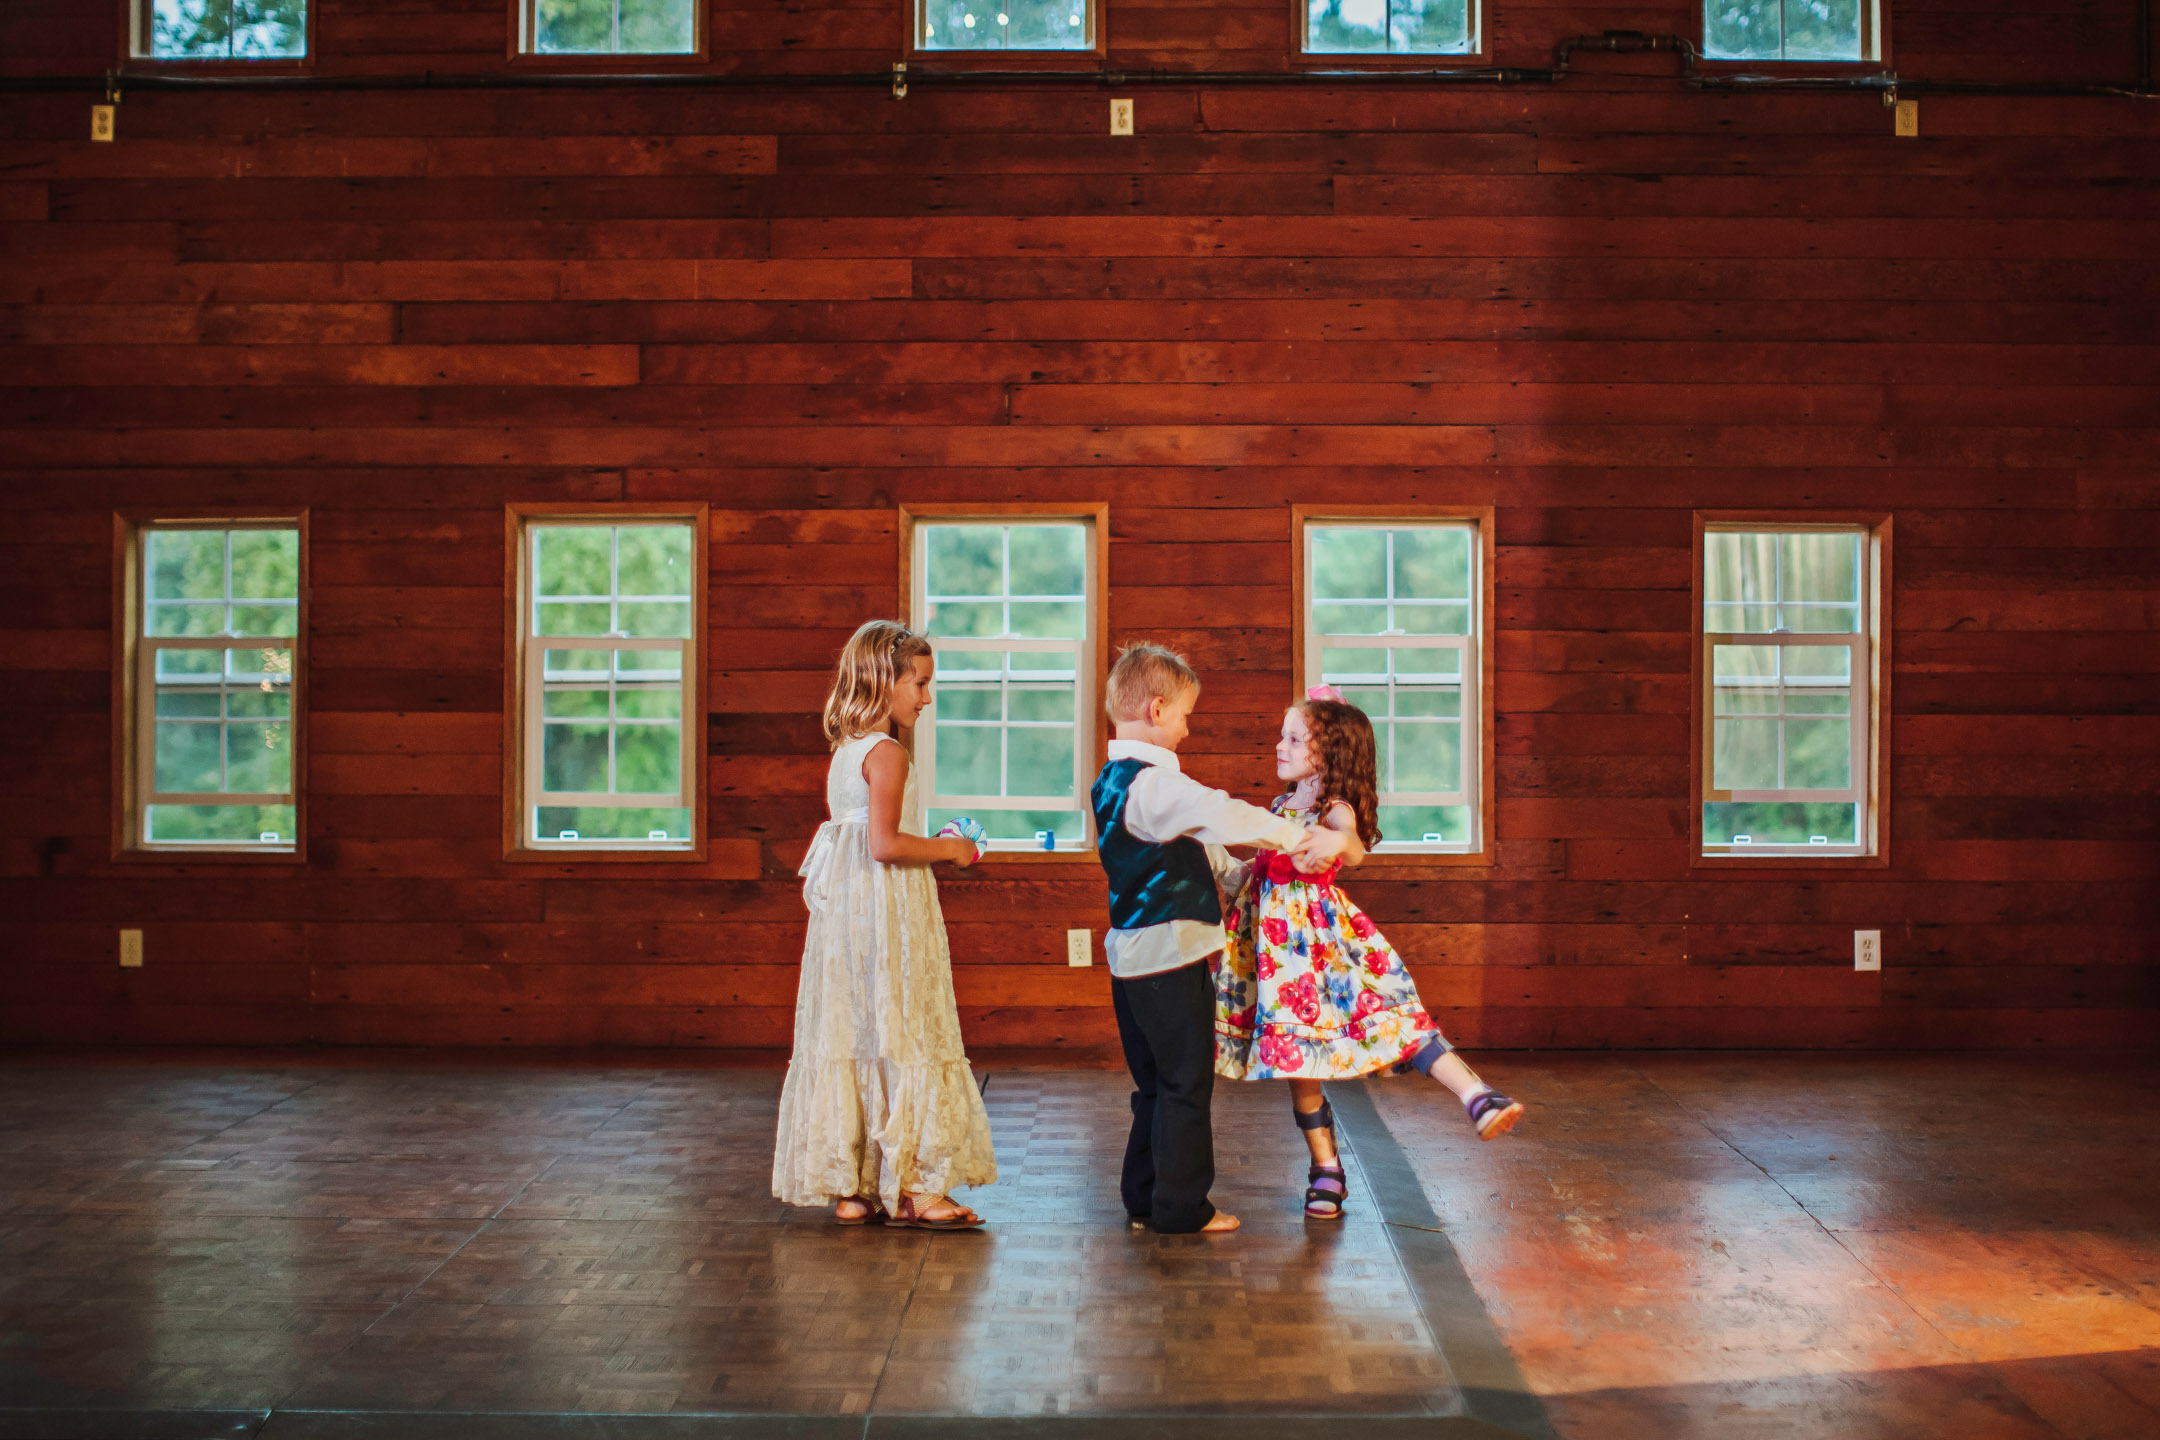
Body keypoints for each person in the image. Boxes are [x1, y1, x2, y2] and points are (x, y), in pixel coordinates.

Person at [1215, 687, 1526, 1221]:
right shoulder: (1280, 808)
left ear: (1327, 753)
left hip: (1322, 946)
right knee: (1300, 1066)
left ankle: (1477, 1095)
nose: (1278, 746)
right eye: (1281, 735)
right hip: (1278, 962)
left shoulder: (1333, 810)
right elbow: (1251, 878)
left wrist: (1339, 845)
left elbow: (1351, 843)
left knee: (1392, 1019)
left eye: (1293, 738)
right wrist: (1208, 846)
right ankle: (1325, 1169)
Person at [1092, 643, 1350, 1235]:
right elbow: (1227, 814)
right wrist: (1298, 838)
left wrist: (1247, 875)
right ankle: (1182, 1208)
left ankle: (1145, 1197)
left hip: (1130, 958)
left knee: (1156, 1083)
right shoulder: (1155, 785)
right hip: (1169, 954)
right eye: (1184, 714)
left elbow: (1208, 854)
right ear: (1157, 710)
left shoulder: (1115, 781)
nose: (1187, 726)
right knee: (1186, 1083)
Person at [772, 619, 997, 1230]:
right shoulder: (889, 752)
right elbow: (886, 844)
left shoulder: (846, 754)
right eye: (919, 683)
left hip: (849, 917)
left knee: (858, 1029)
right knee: (907, 1028)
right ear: (883, 680)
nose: (927, 698)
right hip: (889, 913)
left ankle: (855, 1186)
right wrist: (952, 850)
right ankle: (920, 1189)